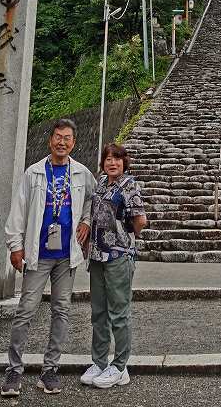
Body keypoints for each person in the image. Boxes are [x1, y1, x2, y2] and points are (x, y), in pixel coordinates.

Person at [1, 118, 96, 398]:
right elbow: (18, 210)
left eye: (67, 138)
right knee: (25, 311)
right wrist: (15, 246)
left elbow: (93, 198)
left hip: (67, 255)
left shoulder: (80, 173)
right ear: (50, 140)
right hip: (37, 253)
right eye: (57, 137)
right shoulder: (34, 173)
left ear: (74, 142)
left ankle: (50, 370)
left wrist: (87, 222)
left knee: (61, 311)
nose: (62, 142)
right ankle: (14, 370)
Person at [80, 143, 147, 389]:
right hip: (97, 256)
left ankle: (120, 366)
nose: (112, 163)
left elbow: (140, 220)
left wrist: (125, 239)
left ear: (124, 162)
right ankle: (99, 362)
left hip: (118, 256)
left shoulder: (129, 185)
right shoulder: (100, 183)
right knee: (98, 313)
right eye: (108, 159)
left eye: (117, 159)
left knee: (119, 313)